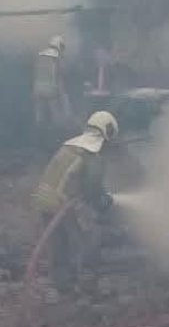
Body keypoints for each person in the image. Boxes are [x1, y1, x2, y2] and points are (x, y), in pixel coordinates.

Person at [31, 111, 118, 295]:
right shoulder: (93, 154)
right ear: (107, 132)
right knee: (89, 239)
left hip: (44, 199)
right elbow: (92, 188)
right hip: (64, 203)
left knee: (58, 243)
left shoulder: (69, 145)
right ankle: (89, 285)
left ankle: (63, 286)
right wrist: (103, 201)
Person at [32, 35, 70, 144]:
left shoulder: (40, 55)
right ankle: (57, 140)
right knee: (55, 115)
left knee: (39, 116)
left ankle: (37, 140)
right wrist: (61, 93)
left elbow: (35, 73)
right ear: (60, 46)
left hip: (38, 89)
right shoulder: (56, 57)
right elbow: (59, 75)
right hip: (51, 90)